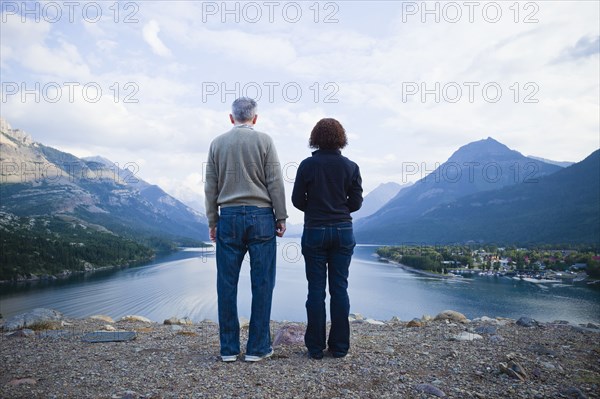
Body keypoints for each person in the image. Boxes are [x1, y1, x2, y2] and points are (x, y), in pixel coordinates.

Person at [204, 97, 287, 362]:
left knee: (226, 284)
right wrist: (281, 216)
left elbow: (210, 186)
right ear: (255, 117)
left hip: (228, 217)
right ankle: (257, 348)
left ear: (231, 118)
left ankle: (228, 349)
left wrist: (212, 221)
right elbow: (275, 180)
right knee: (262, 283)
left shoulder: (217, 143)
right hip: (261, 217)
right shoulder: (265, 141)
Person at [291, 118, 363, 360]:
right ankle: (340, 347)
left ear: (315, 138)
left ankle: (315, 348)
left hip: (315, 231)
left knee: (315, 291)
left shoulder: (307, 166)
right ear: (341, 138)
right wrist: (338, 208)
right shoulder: (351, 167)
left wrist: (316, 207)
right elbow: (356, 203)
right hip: (343, 230)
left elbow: (297, 200)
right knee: (340, 289)